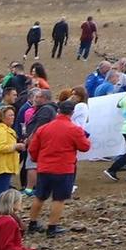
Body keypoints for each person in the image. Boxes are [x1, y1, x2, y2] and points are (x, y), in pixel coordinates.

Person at [25, 101, 88, 236]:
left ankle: (32, 223)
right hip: (63, 169)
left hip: (44, 168)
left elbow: (33, 149)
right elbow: (85, 147)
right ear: (72, 113)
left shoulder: (44, 128)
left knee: (40, 196)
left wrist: (38, 160)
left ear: (58, 111)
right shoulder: (74, 129)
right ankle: (52, 227)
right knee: (59, 198)